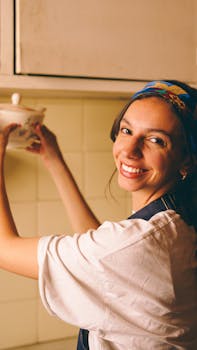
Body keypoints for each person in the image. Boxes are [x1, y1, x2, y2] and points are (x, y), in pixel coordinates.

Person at [0, 80, 197, 350]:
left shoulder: (141, 243)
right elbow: (104, 252)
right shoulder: (175, 222)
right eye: (126, 130)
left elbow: (3, 248)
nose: (129, 150)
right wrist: (53, 159)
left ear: (187, 159)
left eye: (155, 140)